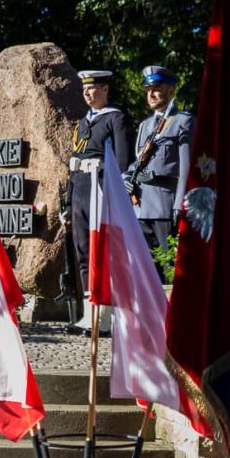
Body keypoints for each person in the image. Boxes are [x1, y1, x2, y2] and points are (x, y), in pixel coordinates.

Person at [62, 70, 132, 332]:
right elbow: (72, 163)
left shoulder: (115, 118)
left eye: (93, 89)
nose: (88, 94)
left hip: (101, 188)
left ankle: (105, 314)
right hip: (80, 188)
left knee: (103, 251)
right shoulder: (81, 123)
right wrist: (68, 203)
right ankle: (89, 311)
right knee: (83, 250)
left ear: (105, 90)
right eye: (85, 90)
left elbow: (123, 162)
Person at [124, 66, 194, 262]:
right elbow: (136, 164)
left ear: (171, 90)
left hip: (166, 206)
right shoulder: (145, 126)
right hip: (142, 206)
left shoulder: (183, 121)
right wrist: (126, 181)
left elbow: (186, 166)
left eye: (156, 88)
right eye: (148, 90)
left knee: (171, 265)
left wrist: (179, 204)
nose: (151, 94)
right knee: (148, 269)